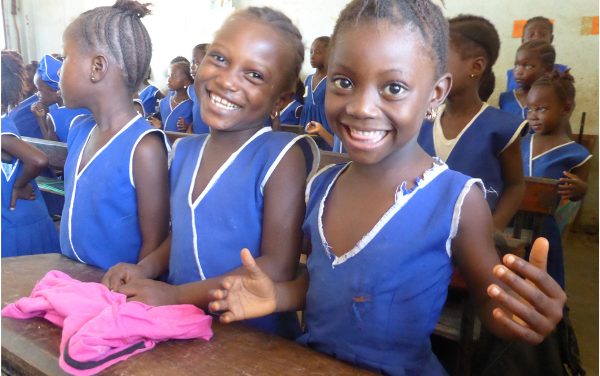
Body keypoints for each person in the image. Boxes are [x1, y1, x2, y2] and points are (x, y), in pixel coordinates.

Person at [207, 1, 566, 374]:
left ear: (435, 93)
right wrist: (278, 295)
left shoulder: (455, 199)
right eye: (344, 82)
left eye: (393, 87)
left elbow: (488, 301)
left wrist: (522, 313)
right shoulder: (321, 186)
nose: (362, 107)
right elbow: (328, 283)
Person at [102, 7, 318, 339]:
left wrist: (176, 295)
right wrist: (143, 269)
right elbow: (183, 235)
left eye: (255, 75)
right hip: (181, 325)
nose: (227, 79)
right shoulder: (186, 151)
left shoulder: (280, 155)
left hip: (251, 337)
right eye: (219, 58)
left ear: (282, 98)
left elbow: (277, 266)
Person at [59, 0, 170, 271]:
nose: (59, 71)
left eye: (65, 58)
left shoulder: (144, 147)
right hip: (72, 282)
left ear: (97, 67)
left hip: (114, 295)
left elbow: (152, 248)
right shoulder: (80, 130)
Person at [419, 15, 527, 231]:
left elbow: (515, 186)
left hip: (472, 241)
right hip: (419, 236)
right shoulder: (422, 120)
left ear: (476, 67)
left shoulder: (500, 128)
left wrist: (492, 230)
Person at [522, 71, 591, 288]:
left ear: (566, 108)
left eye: (541, 109)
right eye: (530, 109)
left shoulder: (577, 154)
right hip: (511, 219)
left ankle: (556, 316)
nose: (533, 115)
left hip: (544, 228)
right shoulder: (521, 142)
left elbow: (576, 198)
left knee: (544, 278)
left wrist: (580, 189)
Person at [1, 50, 60, 257]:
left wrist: (18, 185)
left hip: (16, 223)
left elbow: (38, 159)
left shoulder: (1, 131)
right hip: (19, 218)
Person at [31, 54, 90, 142]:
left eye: (39, 90)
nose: (36, 93)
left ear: (58, 92)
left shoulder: (53, 116)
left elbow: (52, 148)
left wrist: (40, 119)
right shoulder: (86, 105)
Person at [505, 17, 569, 92]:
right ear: (523, 40)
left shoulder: (561, 71)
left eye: (543, 35)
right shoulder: (513, 74)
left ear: (551, 39)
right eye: (531, 35)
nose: (537, 38)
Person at [499, 40, 555, 119]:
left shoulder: (552, 99)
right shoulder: (505, 98)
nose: (519, 72)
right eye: (517, 65)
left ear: (547, 70)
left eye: (528, 66)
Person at [301, 36, 335, 150]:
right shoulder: (307, 80)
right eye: (311, 52)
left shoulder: (332, 81)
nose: (312, 56)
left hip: (325, 130)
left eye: (318, 52)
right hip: (307, 128)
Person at [148, 61, 193, 132]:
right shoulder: (163, 102)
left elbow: (195, 129)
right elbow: (165, 126)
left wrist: (187, 127)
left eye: (174, 76)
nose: (168, 80)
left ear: (187, 82)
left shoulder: (192, 104)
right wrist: (159, 125)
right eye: (168, 76)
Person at [188, 43, 211, 134]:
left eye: (196, 62)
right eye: (191, 62)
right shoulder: (193, 90)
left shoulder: (215, 93)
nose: (191, 66)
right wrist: (190, 127)